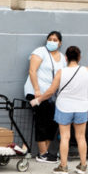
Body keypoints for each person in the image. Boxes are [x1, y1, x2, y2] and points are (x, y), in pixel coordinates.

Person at [33, 45, 88, 174]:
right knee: (81, 137)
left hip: (64, 107)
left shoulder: (61, 72)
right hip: (81, 107)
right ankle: (83, 165)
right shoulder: (87, 71)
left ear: (66, 57)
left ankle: (63, 166)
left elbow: (51, 91)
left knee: (65, 137)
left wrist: (38, 100)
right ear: (79, 57)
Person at [24, 30, 66, 163]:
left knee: (52, 123)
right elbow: (32, 70)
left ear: (60, 43)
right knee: (42, 121)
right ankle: (42, 154)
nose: (52, 42)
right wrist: (37, 90)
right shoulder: (40, 52)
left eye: (55, 40)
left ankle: (46, 152)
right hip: (37, 93)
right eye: (50, 39)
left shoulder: (62, 57)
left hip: (52, 95)